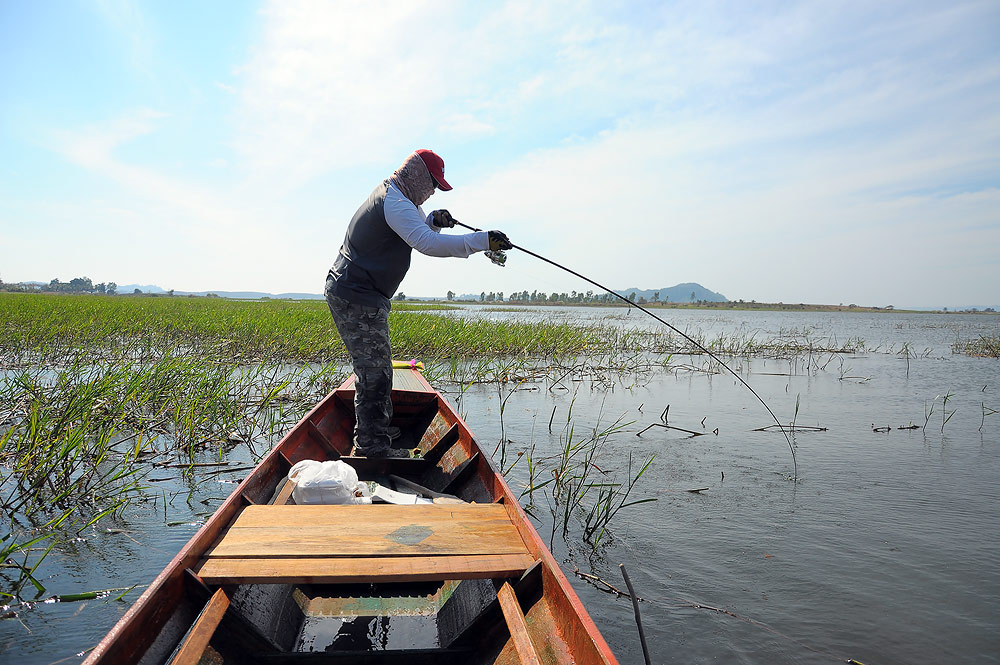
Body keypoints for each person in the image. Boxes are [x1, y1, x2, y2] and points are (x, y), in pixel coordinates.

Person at [324, 149, 512, 457]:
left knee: (377, 368)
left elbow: (417, 232)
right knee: (375, 372)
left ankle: (377, 429)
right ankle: (372, 446)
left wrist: (432, 221)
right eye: (433, 184)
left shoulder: (396, 199)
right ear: (417, 175)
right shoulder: (395, 201)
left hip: (360, 293)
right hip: (355, 294)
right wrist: (482, 241)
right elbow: (426, 243)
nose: (433, 192)